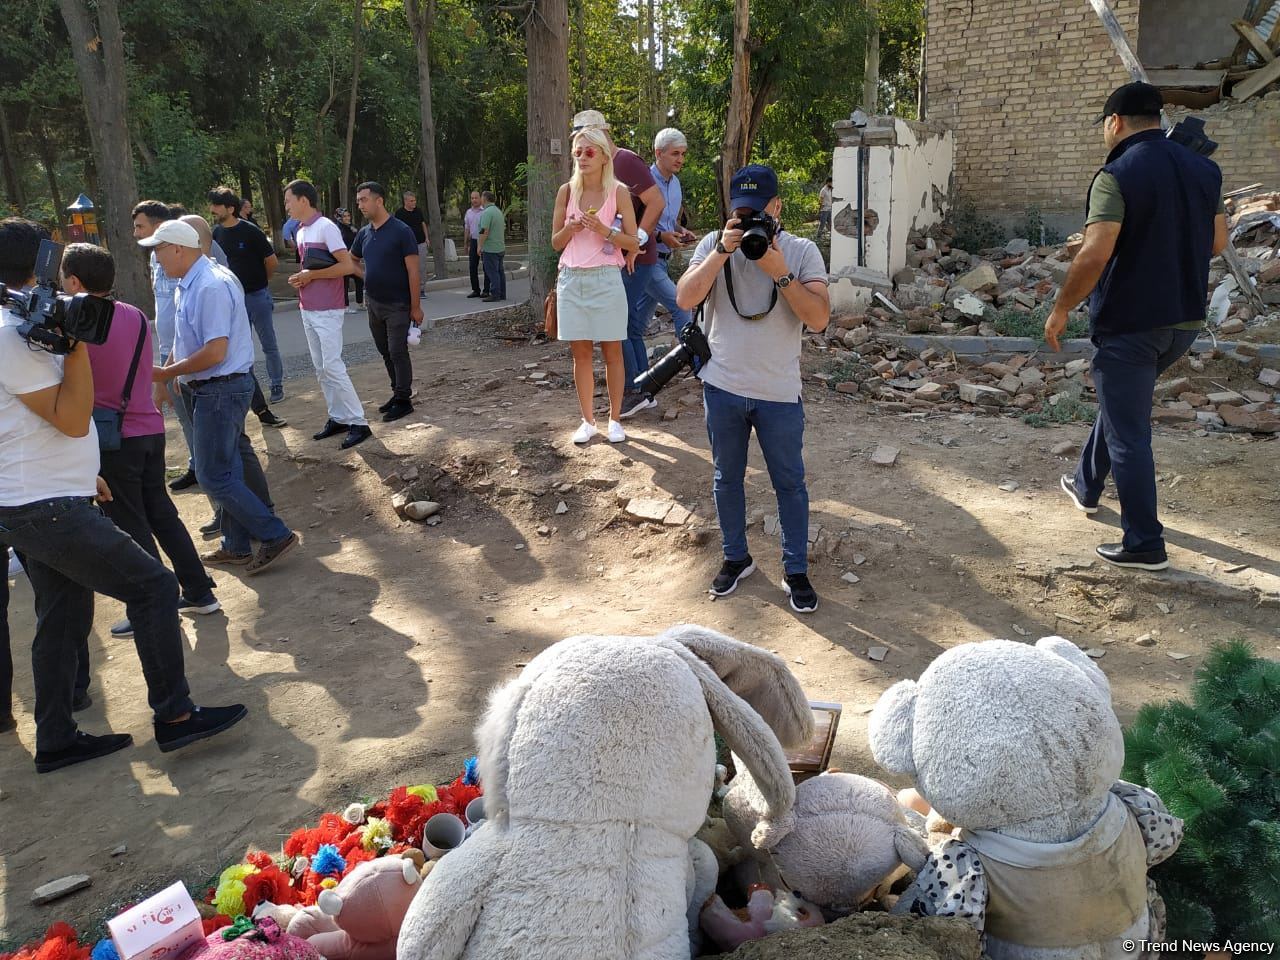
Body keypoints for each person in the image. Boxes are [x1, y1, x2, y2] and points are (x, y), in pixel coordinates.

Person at [0, 217, 247, 772]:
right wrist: (76, 347)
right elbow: (71, 417)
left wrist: (82, 472)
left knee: (62, 614)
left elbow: (24, 422)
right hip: (43, 505)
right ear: (39, 260)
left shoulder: (17, 325)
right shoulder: (11, 334)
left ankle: (57, 737)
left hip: (43, 495)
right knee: (155, 588)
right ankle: (176, 718)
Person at [1046, 81, 1226, 573]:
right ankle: (1086, 485)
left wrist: (1062, 308)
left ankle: (1145, 541)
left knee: (1130, 433)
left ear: (1115, 122)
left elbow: (1096, 251)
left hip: (1130, 322)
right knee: (1121, 406)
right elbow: (1216, 243)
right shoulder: (1205, 170)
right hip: (1184, 320)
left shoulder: (1116, 173)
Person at [675, 165, 831, 614]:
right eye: (741, 213)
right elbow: (685, 299)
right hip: (723, 386)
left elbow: (818, 319)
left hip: (778, 391)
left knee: (790, 483)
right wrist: (722, 253)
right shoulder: (711, 245)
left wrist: (780, 272)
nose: (750, 223)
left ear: (777, 208)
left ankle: (796, 568)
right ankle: (735, 557)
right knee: (727, 479)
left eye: (758, 213)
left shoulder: (800, 251)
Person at [61, 244, 220, 643]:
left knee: (130, 526)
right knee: (163, 514)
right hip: (149, 427)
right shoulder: (132, 314)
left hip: (115, 438)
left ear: (75, 282)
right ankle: (199, 592)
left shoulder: (76, 325)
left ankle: (153, 606)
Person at [144, 219, 299, 573]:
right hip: (215, 387)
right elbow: (184, 341)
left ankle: (274, 534)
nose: (155, 258)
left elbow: (215, 352)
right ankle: (238, 543)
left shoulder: (209, 285)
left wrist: (167, 374)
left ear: (179, 249)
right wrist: (167, 379)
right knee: (228, 465)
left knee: (214, 475)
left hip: (220, 387)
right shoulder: (191, 280)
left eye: (159, 249)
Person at [570, 111, 667, 421]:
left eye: (588, 137)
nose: (583, 146)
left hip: (632, 257)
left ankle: (632, 392)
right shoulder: (593, 170)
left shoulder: (625, 160)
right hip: (615, 257)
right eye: (579, 141)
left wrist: (636, 242)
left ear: (601, 133)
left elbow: (656, 203)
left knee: (618, 327)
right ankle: (642, 389)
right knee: (630, 328)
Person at [550, 125, 641, 445]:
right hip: (571, 280)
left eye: (589, 152)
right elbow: (555, 243)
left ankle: (614, 419)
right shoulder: (566, 191)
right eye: (578, 152)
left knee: (613, 352)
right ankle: (588, 421)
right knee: (581, 355)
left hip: (606, 278)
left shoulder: (618, 192)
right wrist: (572, 229)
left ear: (604, 156)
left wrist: (604, 230)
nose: (583, 157)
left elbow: (634, 242)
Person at [283, 179, 372, 449]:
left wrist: (311, 275)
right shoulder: (300, 232)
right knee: (321, 368)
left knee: (332, 365)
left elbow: (347, 266)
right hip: (307, 308)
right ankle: (338, 417)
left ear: (303, 200)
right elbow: (310, 269)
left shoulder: (326, 228)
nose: (285, 206)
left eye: (288, 200)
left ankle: (359, 422)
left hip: (328, 308)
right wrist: (303, 278)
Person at [630, 126, 696, 415]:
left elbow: (668, 221)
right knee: (681, 302)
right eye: (675, 154)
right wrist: (660, 237)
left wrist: (681, 231)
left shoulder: (675, 183)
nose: (680, 159)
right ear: (658, 154)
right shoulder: (644, 182)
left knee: (636, 325)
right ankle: (697, 362)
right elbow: (632, 224)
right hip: (645, 258)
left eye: (682, 154)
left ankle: (639, 382)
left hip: (664, 258)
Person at [350, 181, 423, 423]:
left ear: (379, 200)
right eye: (358, 200)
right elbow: (352, 260)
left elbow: (413, 271)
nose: (360, 204)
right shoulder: (364, 233)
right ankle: (397, 392)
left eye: (364, 199)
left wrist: (415, 307)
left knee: (397, 351)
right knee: (385, 352)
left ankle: (404, 400)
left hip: (398, 304)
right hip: (374, 303)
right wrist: (367, 277)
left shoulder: (401, 231)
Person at [210, 187, 286, 403]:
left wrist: (261, 282)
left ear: (230, 208)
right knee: (241, 346)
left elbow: (271, 262)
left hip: (257, 296)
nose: (212, 209)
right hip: (233, 301)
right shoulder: (216, 234)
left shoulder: (251, 231)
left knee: (268, 343)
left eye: (216, 205)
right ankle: (252, 394)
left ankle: (277, 384)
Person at [394, 192, 429, 294]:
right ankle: (408, 289)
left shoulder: (418, 211)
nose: (414, 203)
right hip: (406, 245)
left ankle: (421, 289)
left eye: (415, 200)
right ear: (405, 201)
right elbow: (397, 229)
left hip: (420, 242)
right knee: (407, 267)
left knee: (421, 267)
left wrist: (427, 238)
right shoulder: (399, 213)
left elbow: (423, 224)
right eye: (411, 201)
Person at [477, 191, 507, 303]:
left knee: (492, 272)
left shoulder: (487, 213)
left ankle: (495, 294)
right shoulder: (498, 212)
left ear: (484, 199)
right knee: (500, 271)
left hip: (490, 248)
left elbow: (484, 230)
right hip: (500, 246)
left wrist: (479, 245)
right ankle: (502, 293)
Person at [334, 209, 365, 314]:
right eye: (345, 216)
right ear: (339, 218)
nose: (348, 218)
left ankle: (360, 303)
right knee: (345, 282)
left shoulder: (351, 228)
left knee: (359, 279)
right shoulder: (337, 229)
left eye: (348, 216)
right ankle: (344, 306)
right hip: (342, 259)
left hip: (352, 259)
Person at [463, 190, 489, 299]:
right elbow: (467, 228)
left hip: (483, 241)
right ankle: (475, 290)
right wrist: (466, 243)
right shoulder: (468, 212)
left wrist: (481, 242)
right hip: (473, 241)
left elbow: (484, 228)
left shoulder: (485, 212)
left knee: (486, 266)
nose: (474, 200)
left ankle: (486, 290)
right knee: (472, 266)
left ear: (480, 199)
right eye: (472, 198)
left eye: (476, 198)